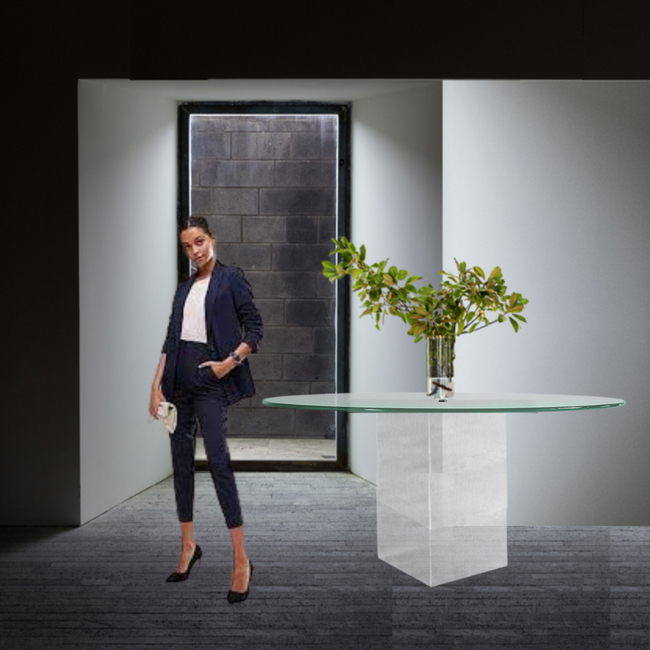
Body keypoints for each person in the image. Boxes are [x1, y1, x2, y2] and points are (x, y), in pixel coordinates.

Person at [149, 216, 263, 604]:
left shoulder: (231, 278)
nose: (194, 251)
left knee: (218, 463)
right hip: (176, 385)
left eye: (199, 242)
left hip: (210, 380)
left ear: (211, 239)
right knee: (181, 464)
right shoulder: (183, 289)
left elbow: (255, 329)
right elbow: (170, 337)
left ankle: (241, 559)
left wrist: (228, 363)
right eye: (187, 246)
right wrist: (154, 385)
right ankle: (187, 547)